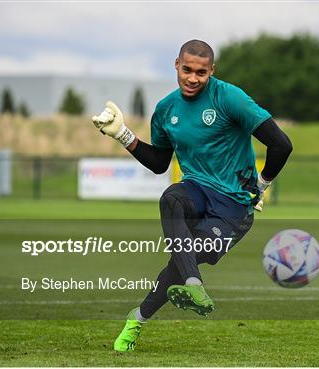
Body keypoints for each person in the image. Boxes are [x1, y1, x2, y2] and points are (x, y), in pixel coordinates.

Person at [91, 39, 292, 352]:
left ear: (211, 71)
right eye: (187, 70)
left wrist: (260, 186)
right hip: (196, 189)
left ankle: (137, 319)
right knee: (171, 198)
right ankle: (195, 286)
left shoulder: (230, 98)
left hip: (235, 207)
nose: (192, 78)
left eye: (201, 72)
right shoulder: (166, 109)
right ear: (176, 65)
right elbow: (159, 162)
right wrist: (122, 134)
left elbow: (281, 144)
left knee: (183, 262)